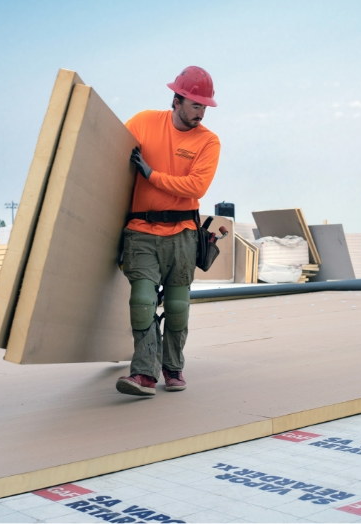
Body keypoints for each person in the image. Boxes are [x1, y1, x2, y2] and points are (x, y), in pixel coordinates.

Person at [116, 65, 221, 397]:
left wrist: (152, 174)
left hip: (183, 235)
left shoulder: (208, 141)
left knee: (177, 306)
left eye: (204, 106)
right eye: (195, 104)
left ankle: (172, 367)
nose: (201, 112)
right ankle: (144, 374)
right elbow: (108, 156)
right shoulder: (143, 122)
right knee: (143, 300)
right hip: (141, 231)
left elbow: (196, 186)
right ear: (176, 100)